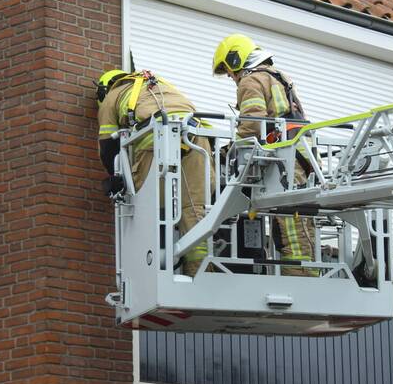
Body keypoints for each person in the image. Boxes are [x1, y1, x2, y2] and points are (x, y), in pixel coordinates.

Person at [211, 35, 318, 277]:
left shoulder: (250, 81)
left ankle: (302, 279)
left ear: (236, 59)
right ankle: (308, 273)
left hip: (285, 161)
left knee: (289, 226)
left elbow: (252, 124)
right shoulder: (279, 76)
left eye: (229, 71)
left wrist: (229, 153)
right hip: (301, 155)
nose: (231, 77)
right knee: (301, 223)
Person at [95, 69, 212, 277]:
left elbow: (107, 147)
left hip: (156, 141)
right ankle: (200, 275)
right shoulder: (162, 86)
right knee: (193, 211)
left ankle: (150, 271)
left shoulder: (111, 97)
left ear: (106, 88)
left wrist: (116, 177)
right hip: (196, 139)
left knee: (141, 206)